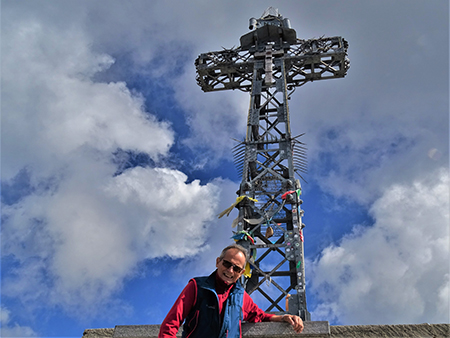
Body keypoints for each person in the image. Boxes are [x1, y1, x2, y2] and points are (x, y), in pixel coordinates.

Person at [158, 244, 304, 337]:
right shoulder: (197, 286)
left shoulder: (241, 296)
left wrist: (284, 317)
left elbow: (259, 316)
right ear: (217, 262)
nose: (230, 270)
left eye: (236, 268)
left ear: (241, 273)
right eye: (227, 264)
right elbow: (170, 325)